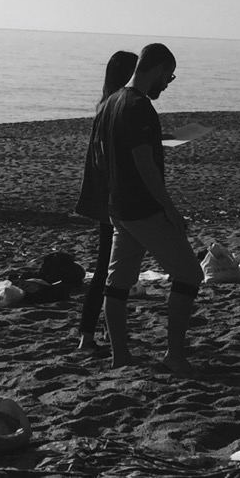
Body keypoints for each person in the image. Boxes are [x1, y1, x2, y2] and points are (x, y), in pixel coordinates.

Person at [92, 43, 203, 376]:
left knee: (119, 282)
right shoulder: (138, 107)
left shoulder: (109, 102)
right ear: (155, 69)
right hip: (143, 209)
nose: (167, 84)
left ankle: (120, 355)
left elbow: (99, 157)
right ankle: (174, 355)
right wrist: (170, 209)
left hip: (119, 208)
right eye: (168, 76)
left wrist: (111, 195)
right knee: (189, 274)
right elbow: (145, 164)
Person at [74, 50, 139, 352]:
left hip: (107, 197)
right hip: (112, 198)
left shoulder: (106, 104)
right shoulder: (116, 106)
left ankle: (91, 333)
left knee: (107, 267)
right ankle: (90, 334)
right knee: (107, 269)